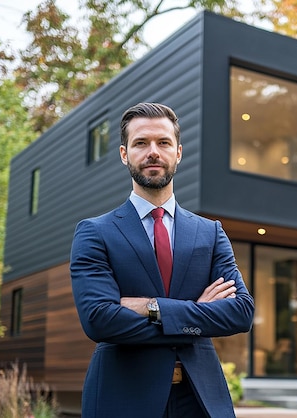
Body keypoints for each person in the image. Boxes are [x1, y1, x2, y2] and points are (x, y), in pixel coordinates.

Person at [70, 102, 255, 418]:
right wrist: (199, 313)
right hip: (123, 397)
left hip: (201, 400)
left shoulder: (210, 233)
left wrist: (152, 307)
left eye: (163, 142)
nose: (152, 152)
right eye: (141, 143)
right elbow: (100, 319)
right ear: (124, 154)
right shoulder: (94, 233)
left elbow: (240, 313)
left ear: (178, 152)